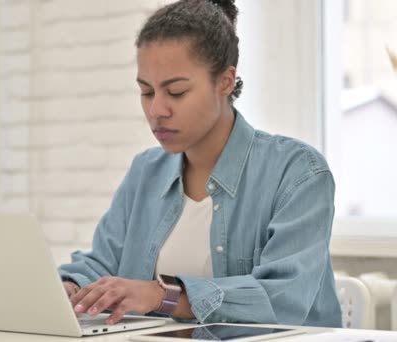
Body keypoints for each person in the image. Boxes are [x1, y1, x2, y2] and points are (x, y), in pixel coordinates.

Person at [58, 0, 342, 328]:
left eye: (176, 92)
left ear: (224, 81)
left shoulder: (298, 172)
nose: (157, 110)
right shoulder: (145, 172)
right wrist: (72, 287)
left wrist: (161, 295)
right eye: (147, 92)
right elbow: (102, 263)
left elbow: (282, 299)